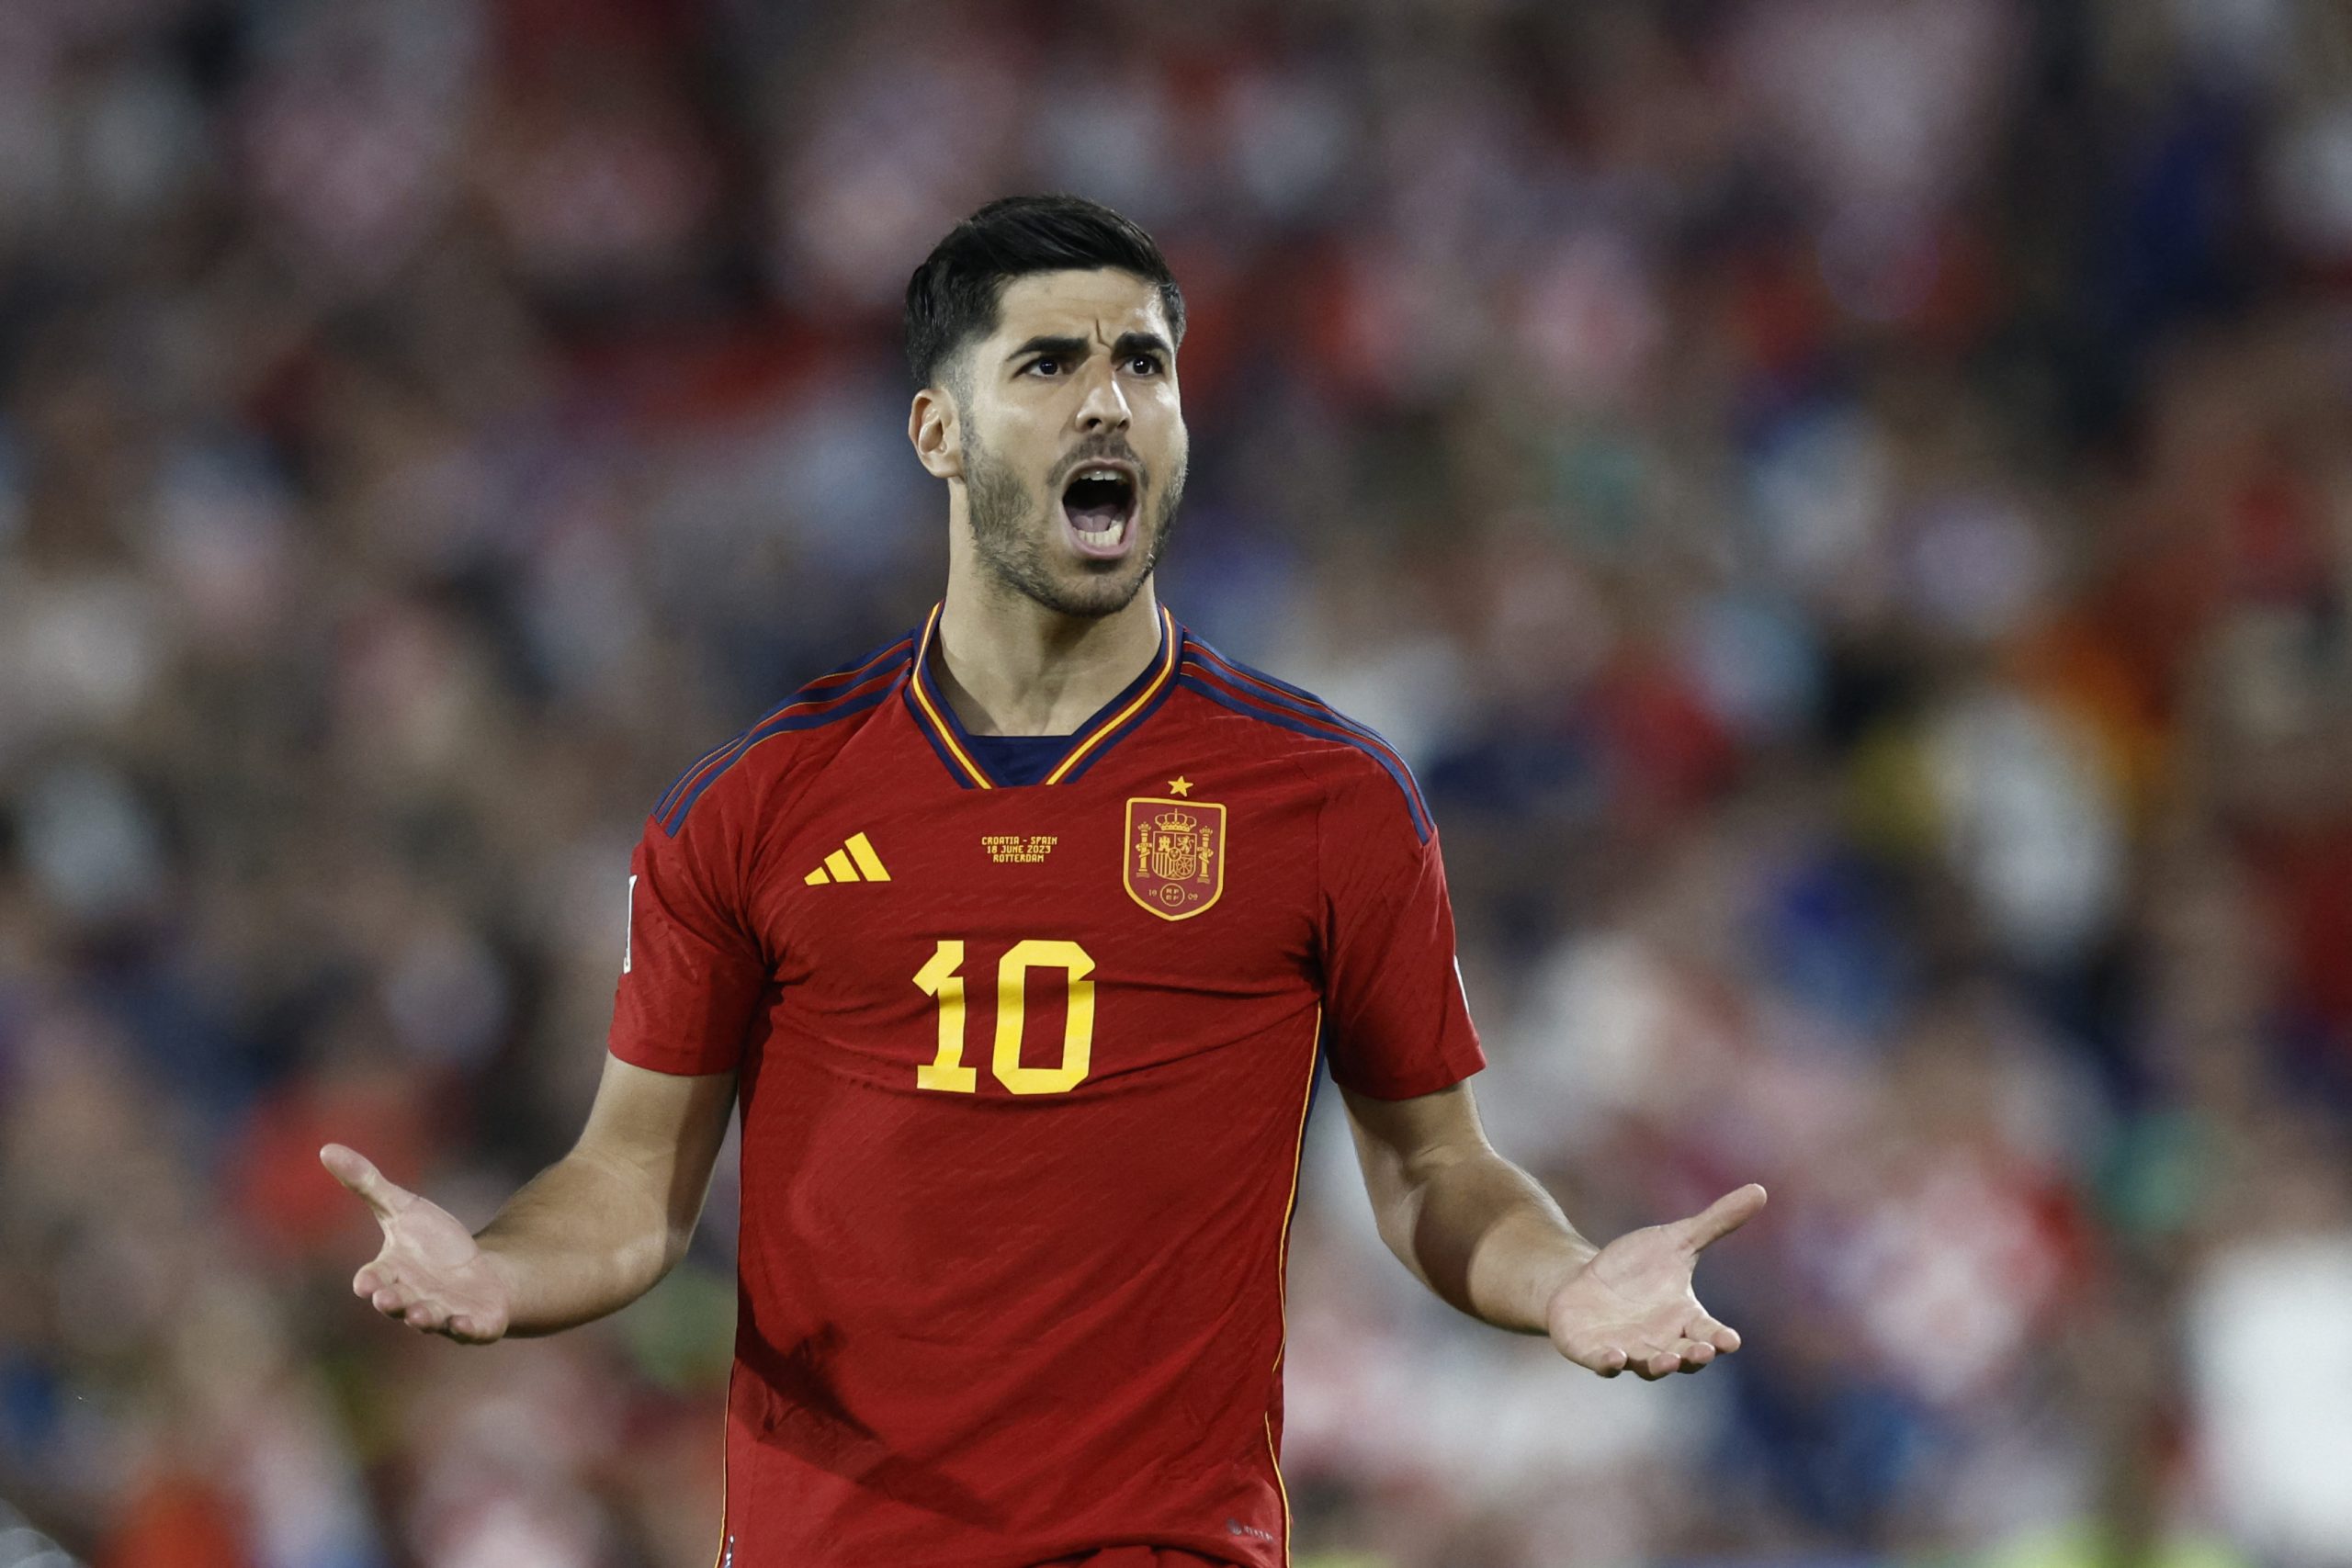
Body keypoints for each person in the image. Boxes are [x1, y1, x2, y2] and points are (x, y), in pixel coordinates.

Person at [321, 194, 1765, 1568]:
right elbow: (633, 1185)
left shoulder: (1331, 798)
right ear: (937, 430)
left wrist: (1562, 1280)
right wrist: (504, 1277)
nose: (1108, 402)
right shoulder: (754, 806)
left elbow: (1433, 1170)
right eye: (1051, 363)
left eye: (1146, 362)